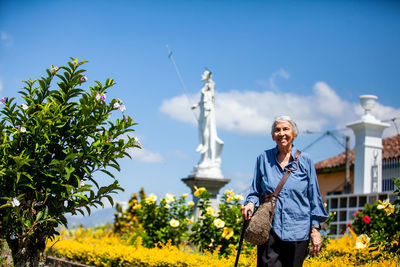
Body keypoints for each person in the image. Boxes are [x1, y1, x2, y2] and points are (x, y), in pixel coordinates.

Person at [241, 116, 328, 267]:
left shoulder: (305, 161)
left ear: (294, 134)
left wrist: (315, 229)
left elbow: (314, 197)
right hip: (269, 229)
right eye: (277, 130)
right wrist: (250, 203)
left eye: (285, 129)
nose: (281, 133)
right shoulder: (263, 159)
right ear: (273, 136)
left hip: (298, 231)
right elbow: (255, 192)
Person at [191, 70, 224, 168]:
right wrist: (196, 105)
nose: (202, 75)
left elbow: (210, 95)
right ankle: (203, 148)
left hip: (208, 111)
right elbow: (203, 100)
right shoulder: (205, 87)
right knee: (201, 129)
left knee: (206, 131)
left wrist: (210, 81)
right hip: (202, 110)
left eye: (204, 74)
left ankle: (205, 150)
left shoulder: (210, 85)